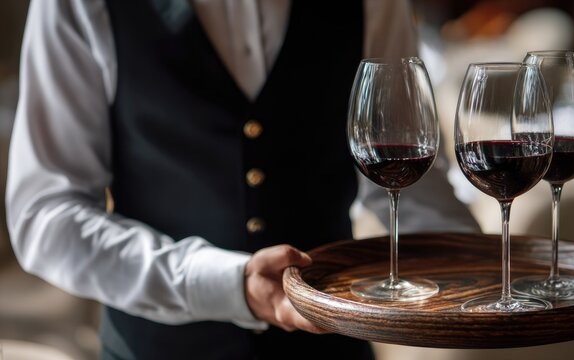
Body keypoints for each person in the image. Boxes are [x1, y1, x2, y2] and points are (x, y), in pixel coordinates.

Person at [6, 0, 480, 359]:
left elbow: (408, 180)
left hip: (330, 352)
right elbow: (46, 217)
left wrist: (486, 273)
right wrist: (223, 283)